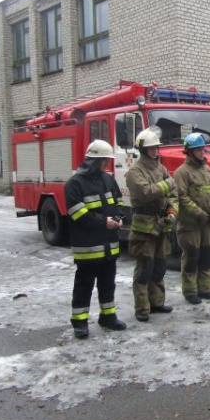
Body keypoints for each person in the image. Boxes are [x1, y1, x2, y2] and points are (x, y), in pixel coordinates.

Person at [65, 140, 127, 339]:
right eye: (104, 161)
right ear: (95, 161)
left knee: (108, 284)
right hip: (88, 247)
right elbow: (78, 214)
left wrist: (118, 218)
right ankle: (79, 322)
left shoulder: (108, 180)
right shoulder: (75, 183)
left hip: (109, 246)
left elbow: (118, 202)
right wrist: (105, 222)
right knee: (84, 286)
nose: (107, 165)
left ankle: (108, 317)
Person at [125, 129, 178, 322]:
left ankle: (157, 303)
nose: (156, 151)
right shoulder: (135, 171)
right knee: (145, 267)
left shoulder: (161, 169)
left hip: (162, 224)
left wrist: (173, 211)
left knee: (160, 265)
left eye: (157, 147)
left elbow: (174, 194)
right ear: (143, 149)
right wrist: (167, 184)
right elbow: (145, 193)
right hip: (144, 227)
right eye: (152, 148)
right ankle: (142, 308)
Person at [173, 132, 210, 303]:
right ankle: (190, 292)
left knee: (207, 255)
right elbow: (181, 197)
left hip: (207, 223)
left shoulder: (207, 169)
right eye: (198, 149)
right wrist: (199, 213)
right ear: (189, 151)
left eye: (202, 148)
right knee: (192, 257)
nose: (202, 151)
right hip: (191, 224)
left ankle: (205, 289)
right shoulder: (182, 172)